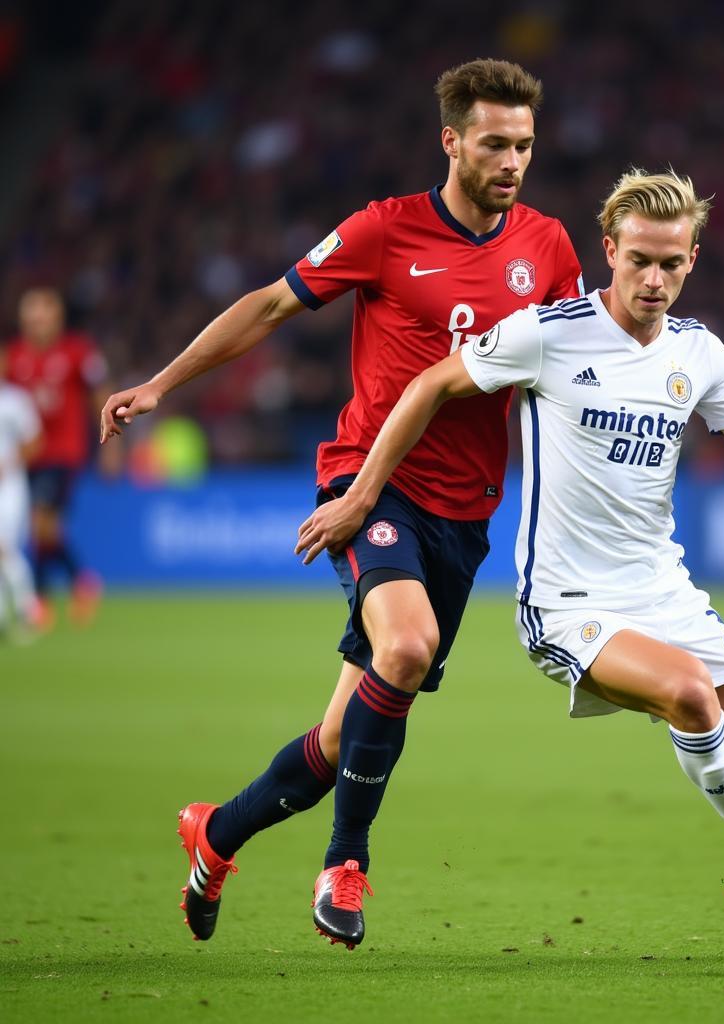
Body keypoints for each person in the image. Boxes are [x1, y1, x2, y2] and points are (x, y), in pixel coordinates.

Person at [99, 58, 583, 949]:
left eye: (524, 144)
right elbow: (268, 307)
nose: (513, 160)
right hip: (368, 483)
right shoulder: (385, 230)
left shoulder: (548, 249)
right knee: (406, 646)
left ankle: (216, 835)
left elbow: (571, 377)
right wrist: (162, 383)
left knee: (335, 742)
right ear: (451, 141)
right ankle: (346, 865)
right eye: (494, 143)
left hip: (465, 513)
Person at [298, 169, 724, 939]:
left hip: (665, 595)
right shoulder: (546, 333)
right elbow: (427, 386)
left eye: (672, 264)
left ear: (693, 261)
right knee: (691, 693)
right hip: (568, 606)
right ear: (609, 251)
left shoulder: (701, 353)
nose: (654, 280)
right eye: (639, 260)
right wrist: (358, 494)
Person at [4, 287, 108, 628]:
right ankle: (71, 584)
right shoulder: (13, 356)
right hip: (24, 455)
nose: (37, 321)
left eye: (43, 314)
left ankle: (51, 591)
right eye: (31, 315)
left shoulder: (78, 352)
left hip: (64, 451)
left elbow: (100, 394)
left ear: (57, 316)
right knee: (42, 529)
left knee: (40, 521)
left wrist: (113, 442)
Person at [0, 345, 42, 640]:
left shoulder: (14, 401)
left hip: (9, 485)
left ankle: (30, 610)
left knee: (3, 549)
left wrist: (8, 465)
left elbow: (34, 441)